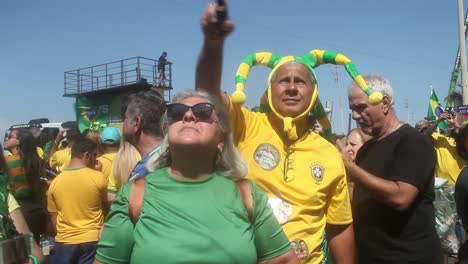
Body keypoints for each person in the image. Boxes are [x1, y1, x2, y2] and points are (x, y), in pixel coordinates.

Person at [195, 3, 355, 263]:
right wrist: (213, 44)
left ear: (313, 93)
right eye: (284, 81)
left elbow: (339, 226)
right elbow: (207, 94)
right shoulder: (245, 123)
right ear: (270, 90)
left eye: (300, 81)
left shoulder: (328, 153)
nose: (292, 88)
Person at [95, 90, 298, 263]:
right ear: (167, 135)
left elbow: (284, 259)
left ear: (222, 139)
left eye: (203, 111)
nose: (189, 116)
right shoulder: (135, 194)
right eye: (177, 112)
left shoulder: (247, 194)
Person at [340, 74, 442, 263]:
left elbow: (401, 197)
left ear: (384, 103)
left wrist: (351, 168)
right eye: (352, 109)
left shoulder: (413, 142)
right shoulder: (368, 148)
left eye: (361, 107)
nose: (355, 115)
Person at [47, 136, 108, 264]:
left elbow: (54, 216)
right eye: (95, 155)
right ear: (87, 155)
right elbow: (105, 208)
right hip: (92, 239)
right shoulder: (98, 178)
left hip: (64, 241)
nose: (96, 159)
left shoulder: (55, 182)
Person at [3, 128, 48, 243]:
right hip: (38, 211)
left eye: (10, 136)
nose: (6, 138)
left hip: (19, 214)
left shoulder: (7, 162)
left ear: (19, 141)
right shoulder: (35, 161)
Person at [121, 90, 166, 181]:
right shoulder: (167, 157)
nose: (123, 123)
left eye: (125, 118)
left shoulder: (150, 170)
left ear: (137, 122)